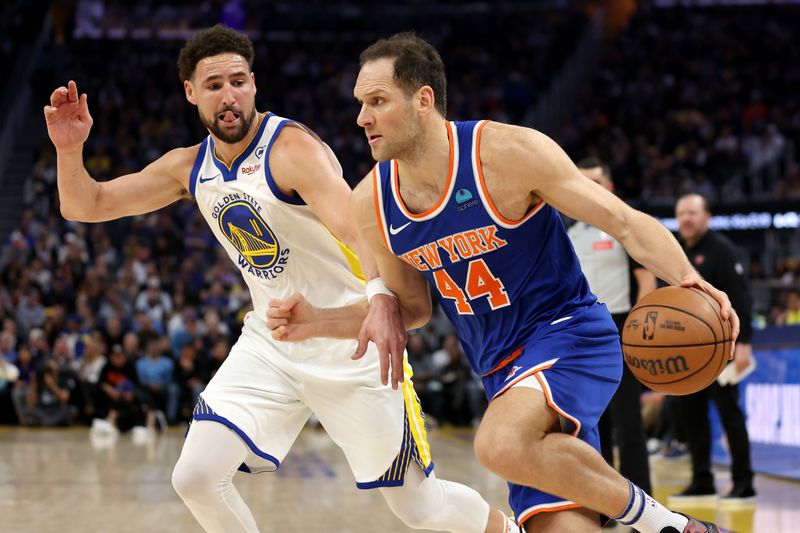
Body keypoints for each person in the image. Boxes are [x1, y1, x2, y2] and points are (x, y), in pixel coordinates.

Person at [44, 24, 517, 533]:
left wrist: (383, 300)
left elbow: (362, 232)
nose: (229, 96)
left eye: (239, 81)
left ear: (254, 83)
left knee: (418, 508)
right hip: (273, 341)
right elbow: (83, 204)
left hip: (349, 343)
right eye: (214, 85)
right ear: (190, 93)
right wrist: (70, 150)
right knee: (196, 476)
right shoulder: (189, 168)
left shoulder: (290, 150)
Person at [346, 33, 739, 533]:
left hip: (570, 334)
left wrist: (689, 278)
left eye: (377, 101)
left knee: (497, 444)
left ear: (424, 100)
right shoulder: (371, 203)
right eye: (361, 103)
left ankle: (671, 527)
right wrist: (368, 301)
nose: (362, 118)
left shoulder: (507, 154)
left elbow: (622, 221)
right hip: (501, 379)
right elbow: (413, 309)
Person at [567, 158, 654, 497]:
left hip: (620, 327)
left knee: (628, 419)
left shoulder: (623, 227)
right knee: (592, 424)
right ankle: (605, 500)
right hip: (582, 331)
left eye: (596, 182)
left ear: (610, 186)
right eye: (583, 182)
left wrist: (641, 327)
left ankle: (642, 499)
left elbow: (647, 280)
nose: (590, 189)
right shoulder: (569, 231)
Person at [670, 193, 756, 503]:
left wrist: (744, 343)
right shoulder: (677, 253)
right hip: (688, 354)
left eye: (692, 213)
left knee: (730, 415)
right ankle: (702, 479)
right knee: (692, 416)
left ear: (707, 217)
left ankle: (744, 482)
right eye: (681, 214)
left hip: (723, 349)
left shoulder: (722, 250)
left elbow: (741, 299)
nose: (686, 219)